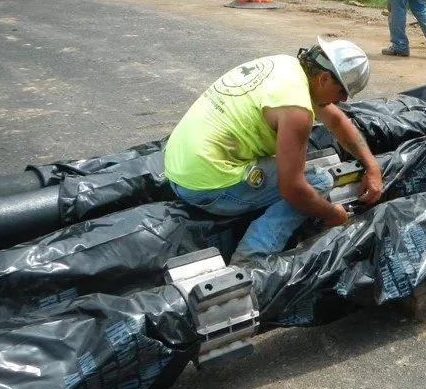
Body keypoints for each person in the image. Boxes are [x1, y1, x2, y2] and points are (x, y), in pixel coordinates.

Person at [163, 38, 383, 262]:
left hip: (176, 167)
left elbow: (336, 122)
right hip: (206, 185)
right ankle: (250, 261)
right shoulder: (297, 110)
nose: (343, 100)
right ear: (324, 78)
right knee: (318, 183)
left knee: (288, 164)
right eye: (342, 92)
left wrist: (371, 166)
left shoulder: (288, 68)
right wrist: (332, 213)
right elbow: (292, 190)